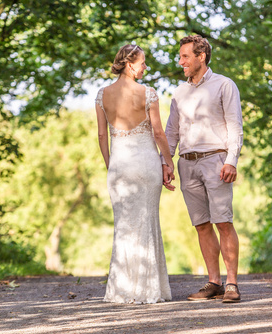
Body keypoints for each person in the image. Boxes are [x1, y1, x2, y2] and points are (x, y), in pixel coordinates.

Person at [162, 35, 244, 303]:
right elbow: (171, 131)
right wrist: (166, 162)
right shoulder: (179, 92)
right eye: (180, 56)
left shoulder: (224, 85)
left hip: (216, 161)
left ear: (201, 56)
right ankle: (214, 282)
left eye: (185, 56)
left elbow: (234, 125)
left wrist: (231, 159)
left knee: (223, 221)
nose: (180, 61)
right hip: (187, 164)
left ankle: (231, 284)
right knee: (201, 225)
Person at [95, 44, 174, 304]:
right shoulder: (147, 93)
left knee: (124, 227)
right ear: (130, 64)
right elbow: (159, 133)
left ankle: (122, 290)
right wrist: (168, 161)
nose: (145, 67)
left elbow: (102, 135)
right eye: (143, 62)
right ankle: (149, 289)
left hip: (119, 168)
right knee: (147, 222)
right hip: (146, 165)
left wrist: (111, 165)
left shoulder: (101, 95)